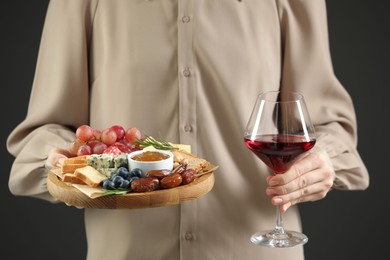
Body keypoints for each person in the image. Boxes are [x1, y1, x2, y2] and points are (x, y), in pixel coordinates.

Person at [6, 1, 369, 259]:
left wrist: (324, 160)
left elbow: (324, 123)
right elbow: (45, 128)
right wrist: (58, 161)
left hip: (256, 251)